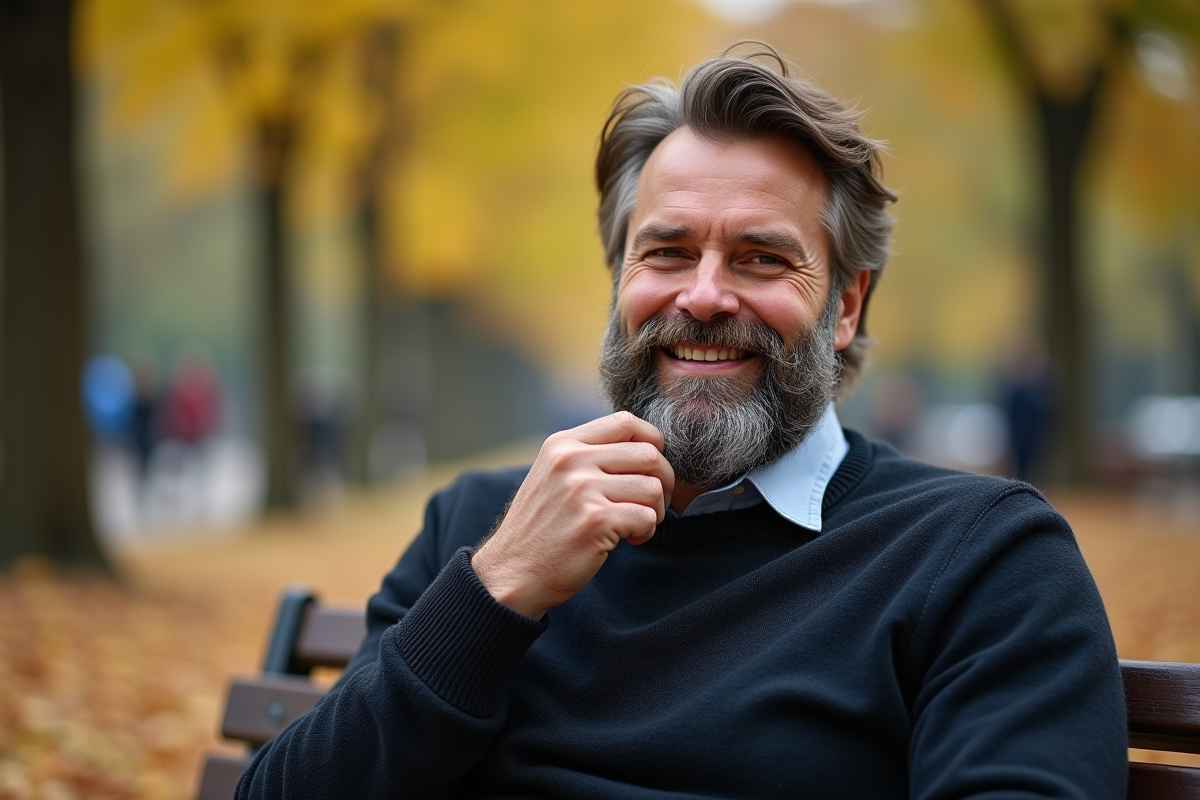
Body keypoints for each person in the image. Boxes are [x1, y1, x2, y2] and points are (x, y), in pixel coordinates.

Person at [236, 43, 1126, 799]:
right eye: (666, 251)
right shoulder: (482, 530)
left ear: (845, 306)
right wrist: (496, 593)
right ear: (621, 278)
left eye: (761, 257)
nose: (703, 296)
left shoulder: (979, 558)